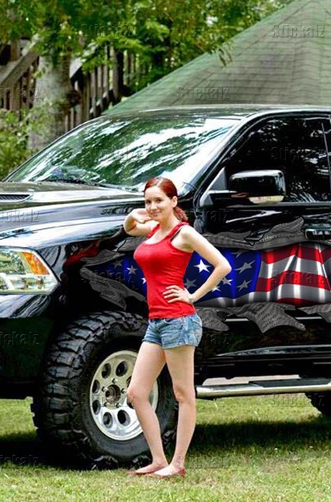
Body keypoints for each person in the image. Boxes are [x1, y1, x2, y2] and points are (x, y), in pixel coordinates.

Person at [124, 176, 231, 479]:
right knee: (136, 392)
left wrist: (193, 295)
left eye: (159, 200)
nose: (153, 206)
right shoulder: (153, 230)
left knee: (183, 394)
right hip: (157, 322)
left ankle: (178, 463)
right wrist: (135, 215)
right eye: (148, 201)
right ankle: (159, 460)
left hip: (179, 321)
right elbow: (130, 228)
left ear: (174, 201)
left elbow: (222, 264)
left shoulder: (183, 234)